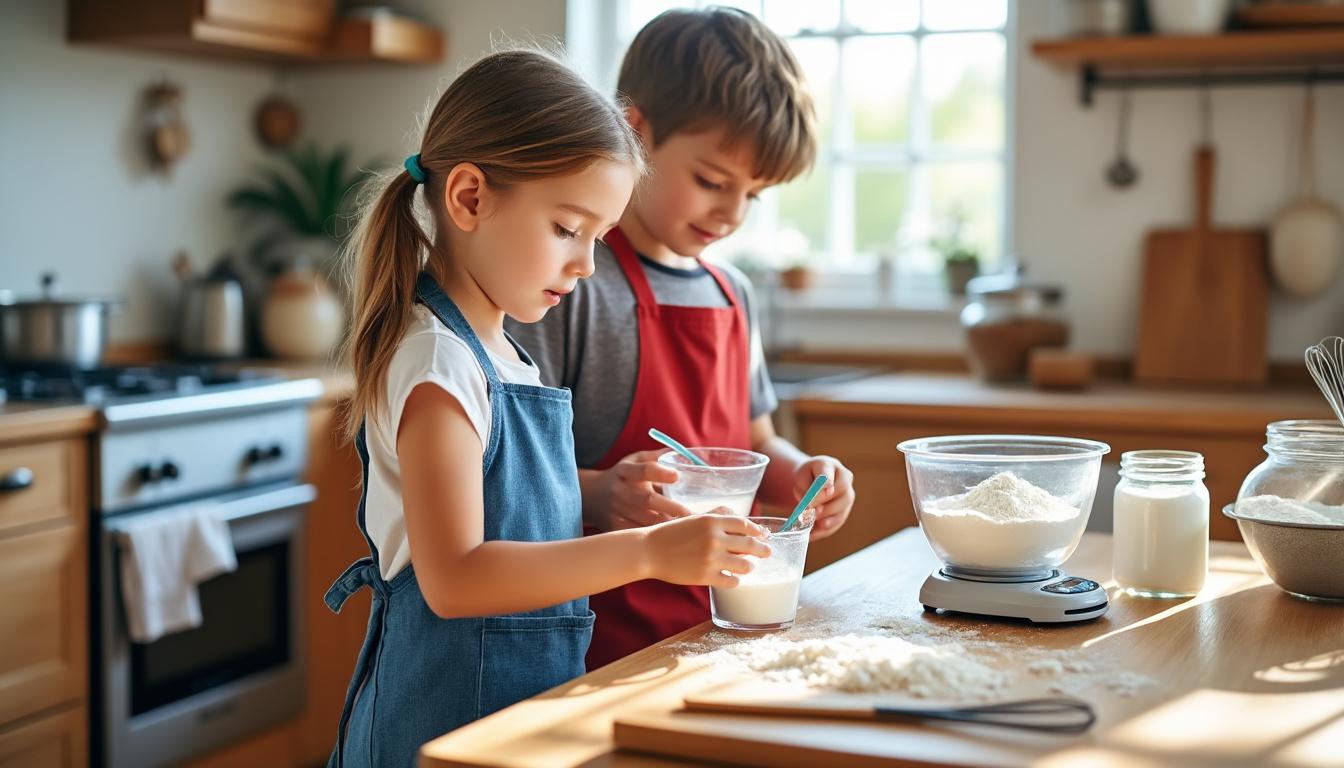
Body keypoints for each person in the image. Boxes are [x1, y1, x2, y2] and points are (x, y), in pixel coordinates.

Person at [325, 48, 770, 768]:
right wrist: (651, 552)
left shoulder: (505, 353)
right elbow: (456, 577)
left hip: (516, 719)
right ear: (469, 198)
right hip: (438, 730)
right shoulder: (440, 364)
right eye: (568, 229)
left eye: (598, 237)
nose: (588, 264)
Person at [507, 9, 857, 671]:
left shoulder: (733, 294)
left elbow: (756, 443)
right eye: (712, 182)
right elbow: (511, 474)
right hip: (596, 645)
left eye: (753, 194)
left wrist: (803, 475)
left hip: (719, 637)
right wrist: (599, 492)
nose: (731, 213)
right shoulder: (571, 283)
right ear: (632, 133)